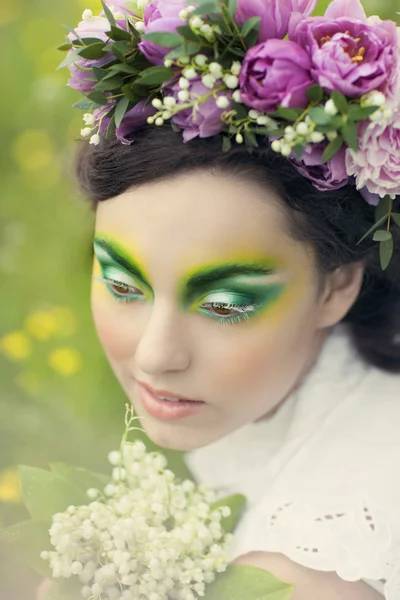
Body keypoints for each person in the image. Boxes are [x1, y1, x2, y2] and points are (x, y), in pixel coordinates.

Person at [37, 0, 400, 598]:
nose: (156, 357)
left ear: (338, 284)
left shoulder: (311, 567)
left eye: (226, 304)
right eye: (123, 286)